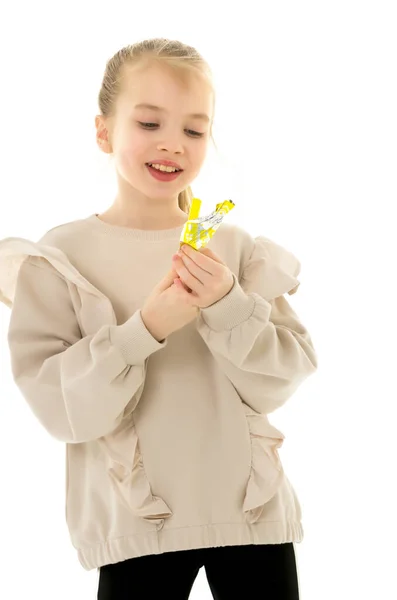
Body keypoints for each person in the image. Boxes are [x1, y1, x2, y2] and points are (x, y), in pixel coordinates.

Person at [0, 38, 318, 599]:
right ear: (103, 131)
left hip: (250, 515)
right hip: (136, 524)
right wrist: (146, 327)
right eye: (149, 123)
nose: (173, 143)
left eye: (194, 131)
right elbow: (59, 408)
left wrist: (227, 304)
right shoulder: (62, 255)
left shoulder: (230, 245)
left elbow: (280, 380)